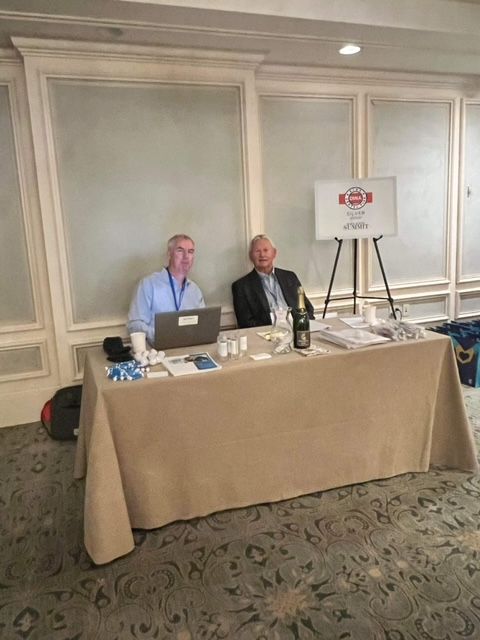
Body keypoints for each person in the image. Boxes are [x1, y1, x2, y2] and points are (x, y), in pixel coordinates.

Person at [127, 234, 205, 345]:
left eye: (190, 252)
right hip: (157, 350)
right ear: (169, 254)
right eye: (180, 251)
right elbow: (134, 324)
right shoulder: (148, 284)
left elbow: (202, 324)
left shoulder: (195, 290)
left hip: (190, 348)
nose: (186, 256)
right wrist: (162, 336)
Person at [231, 234, 314, 328]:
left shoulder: (290, 277)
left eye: (266, 250)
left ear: (274, 253)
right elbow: (245, 323)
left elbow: (308, 308)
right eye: (257, 251)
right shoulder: (241, 286)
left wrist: (302, 326)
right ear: (250, 256)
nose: (262, 255)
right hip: (267, 333)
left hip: (296, 329)